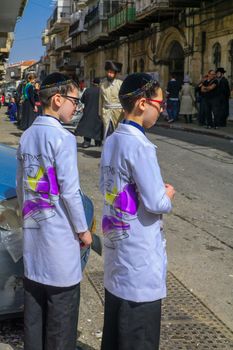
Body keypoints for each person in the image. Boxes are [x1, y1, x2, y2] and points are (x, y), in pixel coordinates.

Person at [16, 72, 92, 350]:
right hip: (59, 241)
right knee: (61, 317)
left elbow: (22, 187)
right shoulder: (63, 139)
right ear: (58, 99)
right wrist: (83, 231)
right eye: (74, 100)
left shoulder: (27, 135)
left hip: (34, 236)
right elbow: (70, 192)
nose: (77, 106)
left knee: (34, 315)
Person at [99, 72, 175, 350]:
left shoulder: (113, 139)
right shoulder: (140, 145)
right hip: (139, 258)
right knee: (138, 335)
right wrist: (167, 195)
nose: (161, 109)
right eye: (159, 103)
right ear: (143, 104)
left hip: (117, 245)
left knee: (116, 331)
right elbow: (156, 202)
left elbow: (108, 187)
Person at [75, 78, 103, 148]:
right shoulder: (101, 91)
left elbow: (82, 100)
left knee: (87, 126)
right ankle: (98, 142)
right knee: (98, 127)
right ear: (99, 83)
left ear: (92, 82)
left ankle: (86, 142)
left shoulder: (88, 90)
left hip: (88, 111)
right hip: (98, 113)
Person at [99, 60, 123, 138]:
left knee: (117, 132)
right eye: (108, 72)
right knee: (107, 132)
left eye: (112, 72)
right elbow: (101, 99)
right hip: (106, 112)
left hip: (118, 113)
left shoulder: (120, 84)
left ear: (115, 74)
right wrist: (100, 113)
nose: (109, 74)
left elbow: (124, 99)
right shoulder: (102, 84)